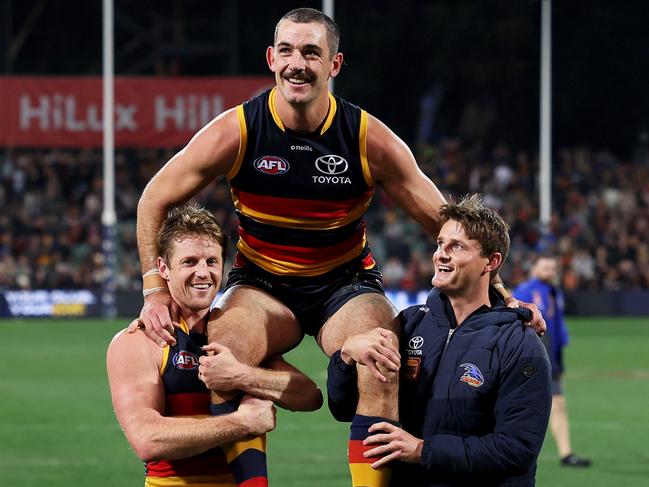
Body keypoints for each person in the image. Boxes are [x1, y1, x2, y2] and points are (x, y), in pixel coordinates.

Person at [133, 8, 544, 486]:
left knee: (381, 354)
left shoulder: (367, 138)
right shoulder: (238, 130)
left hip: (344, 284)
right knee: (225, 351)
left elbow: (452, 226)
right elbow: (154, 198)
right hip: (263, 284)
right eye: (286, 50)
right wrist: (154, 289)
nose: (297, 63)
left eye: (312, 52)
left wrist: (503, 294)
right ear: (270, 58)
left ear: (334, 64)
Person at [327, 194, 552, 486]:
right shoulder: (407, 324)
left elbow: (517, 450)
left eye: (456, 246)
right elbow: (344, 408)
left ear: (490, 262)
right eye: (440, 244)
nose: (440, 254)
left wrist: (422, 451)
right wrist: (345, 357)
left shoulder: (519, 343)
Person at [108, 204, 322, 486]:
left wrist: (242, 376)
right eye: (189, 262)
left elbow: (309, 396)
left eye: (211, 261)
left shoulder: (240, 332)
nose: (203, 273)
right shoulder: (139, 340)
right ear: (163, 268)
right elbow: (147, 438)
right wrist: (242, 422)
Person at [513, 255, 592, 468]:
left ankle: (566, 454)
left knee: (558, 404)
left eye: (552, 267)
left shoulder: (554, 292)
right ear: (534, 268)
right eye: (545, 266)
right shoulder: (525, 291)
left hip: (552, 357)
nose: (550, 270)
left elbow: (557, 325)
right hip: (533, 359)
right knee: (528, 406)